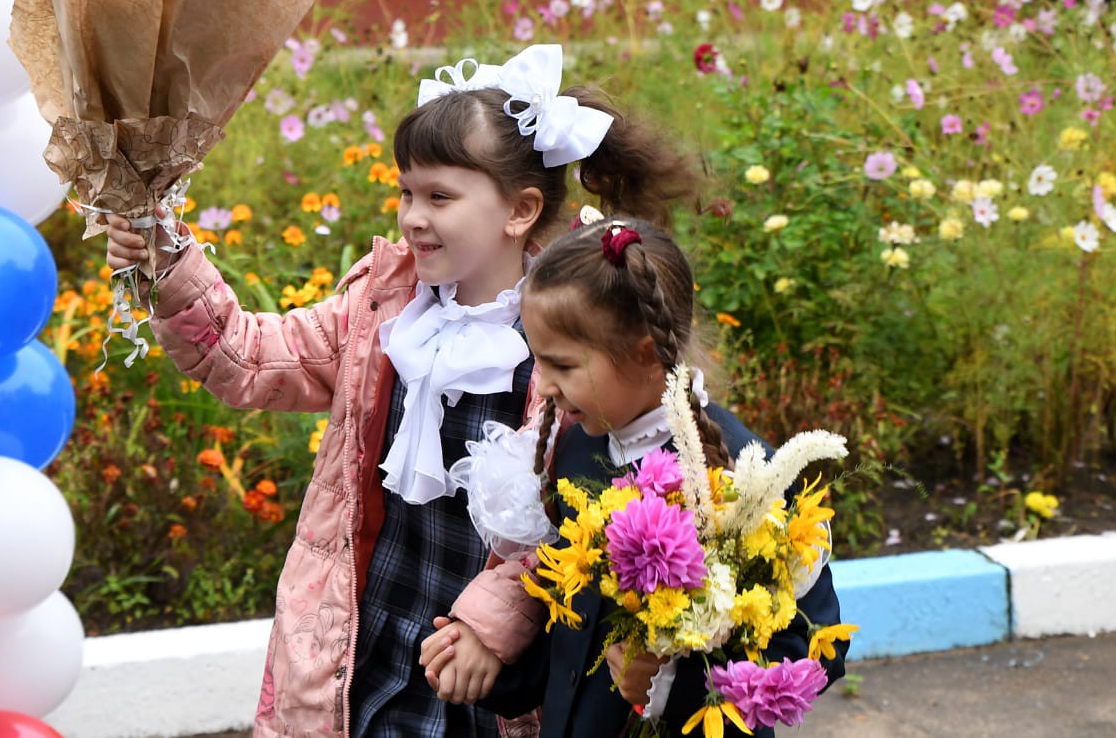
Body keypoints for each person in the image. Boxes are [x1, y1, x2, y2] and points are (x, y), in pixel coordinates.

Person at [103, 44, 702, 738]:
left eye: (440, 196)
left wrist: (492, 621)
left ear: (520, 209)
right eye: (406, 192)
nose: (413, 216)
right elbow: (249, 357)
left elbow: (592, 518)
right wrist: (168, 260)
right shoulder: (382, 313)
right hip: (364, 634)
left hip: (484, 660)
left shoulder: (566, 347)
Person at [420, 218, 847, 737]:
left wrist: (672, 680)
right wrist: (490, 661)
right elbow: (572, 627)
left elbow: (817, 649)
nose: (545, 385)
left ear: (645, 353)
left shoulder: (748, 479)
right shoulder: (578, 450)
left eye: (563, 365)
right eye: (540, 361)